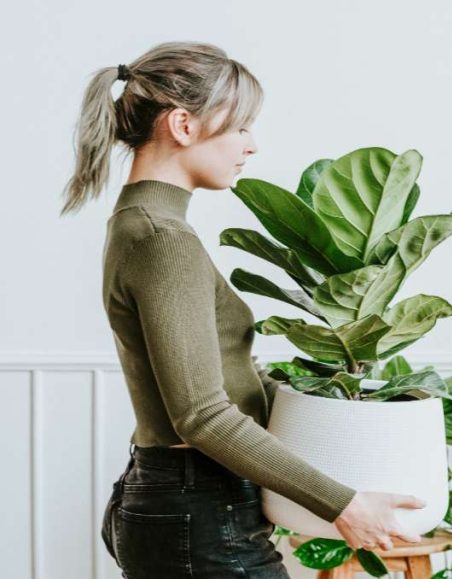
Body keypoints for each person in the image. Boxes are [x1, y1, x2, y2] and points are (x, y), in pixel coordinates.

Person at [60, 41, 425, 578]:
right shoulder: (162, 238)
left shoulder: (142, 223)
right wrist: (345, 504)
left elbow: (224, 380)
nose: (251, 145)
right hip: (199, 509)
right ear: (183, 125)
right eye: (241, 127)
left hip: (180, 500)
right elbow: (203, 414)